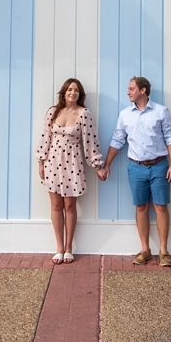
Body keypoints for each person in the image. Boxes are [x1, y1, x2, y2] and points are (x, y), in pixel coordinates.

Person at [98, 76, 171, 267]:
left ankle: (164, 251)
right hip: (136, 167)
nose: (128, 92)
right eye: (128, 88)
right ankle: (145, 250)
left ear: (143, 90)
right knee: (141, 207)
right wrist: (107, 164)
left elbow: (170, 138)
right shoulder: (125, 114)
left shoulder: (160, 111)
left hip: (159, 165)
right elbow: (117, 140)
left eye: (132, 88)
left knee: (161, 206)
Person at [36, 78, 105, 264]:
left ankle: (69, 248)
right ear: (64, 93)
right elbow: (45, 137)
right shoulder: (53, 112)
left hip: (72, 163)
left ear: (79, 94)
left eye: (76, 90)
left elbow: (91, 141)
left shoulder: (84, 114)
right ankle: (59, 247)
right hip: (52, 163)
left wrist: (97, 165)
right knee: (56, 206)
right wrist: (41, 162)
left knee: (70, 206)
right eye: (69, 90)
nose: (72, 93)